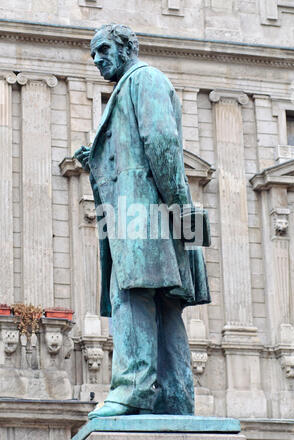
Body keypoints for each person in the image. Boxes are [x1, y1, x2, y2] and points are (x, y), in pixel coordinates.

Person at [74, 24, 211, 418]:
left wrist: (182, 212)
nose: (97, 60)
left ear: (126, 47)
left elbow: (162, 144)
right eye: (92, 55)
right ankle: (175, 398)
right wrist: (97, 156)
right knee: (164, 307)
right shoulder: (129, 87)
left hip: (144, 216)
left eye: (102, 50)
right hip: (144, 213)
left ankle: (131, 389)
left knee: (131, 296)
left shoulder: (144, 78)